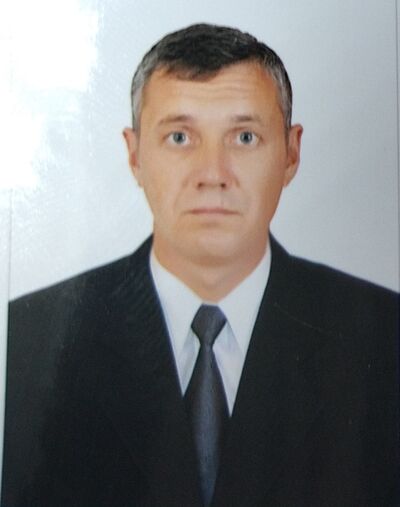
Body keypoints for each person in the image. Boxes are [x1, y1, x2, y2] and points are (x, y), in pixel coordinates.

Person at [1, 23, 398, 507]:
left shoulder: (383, 336)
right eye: (180, 137)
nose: (213, 175)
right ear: (134, 155)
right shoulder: (26, 340)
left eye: (245, 137)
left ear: (291, 153)